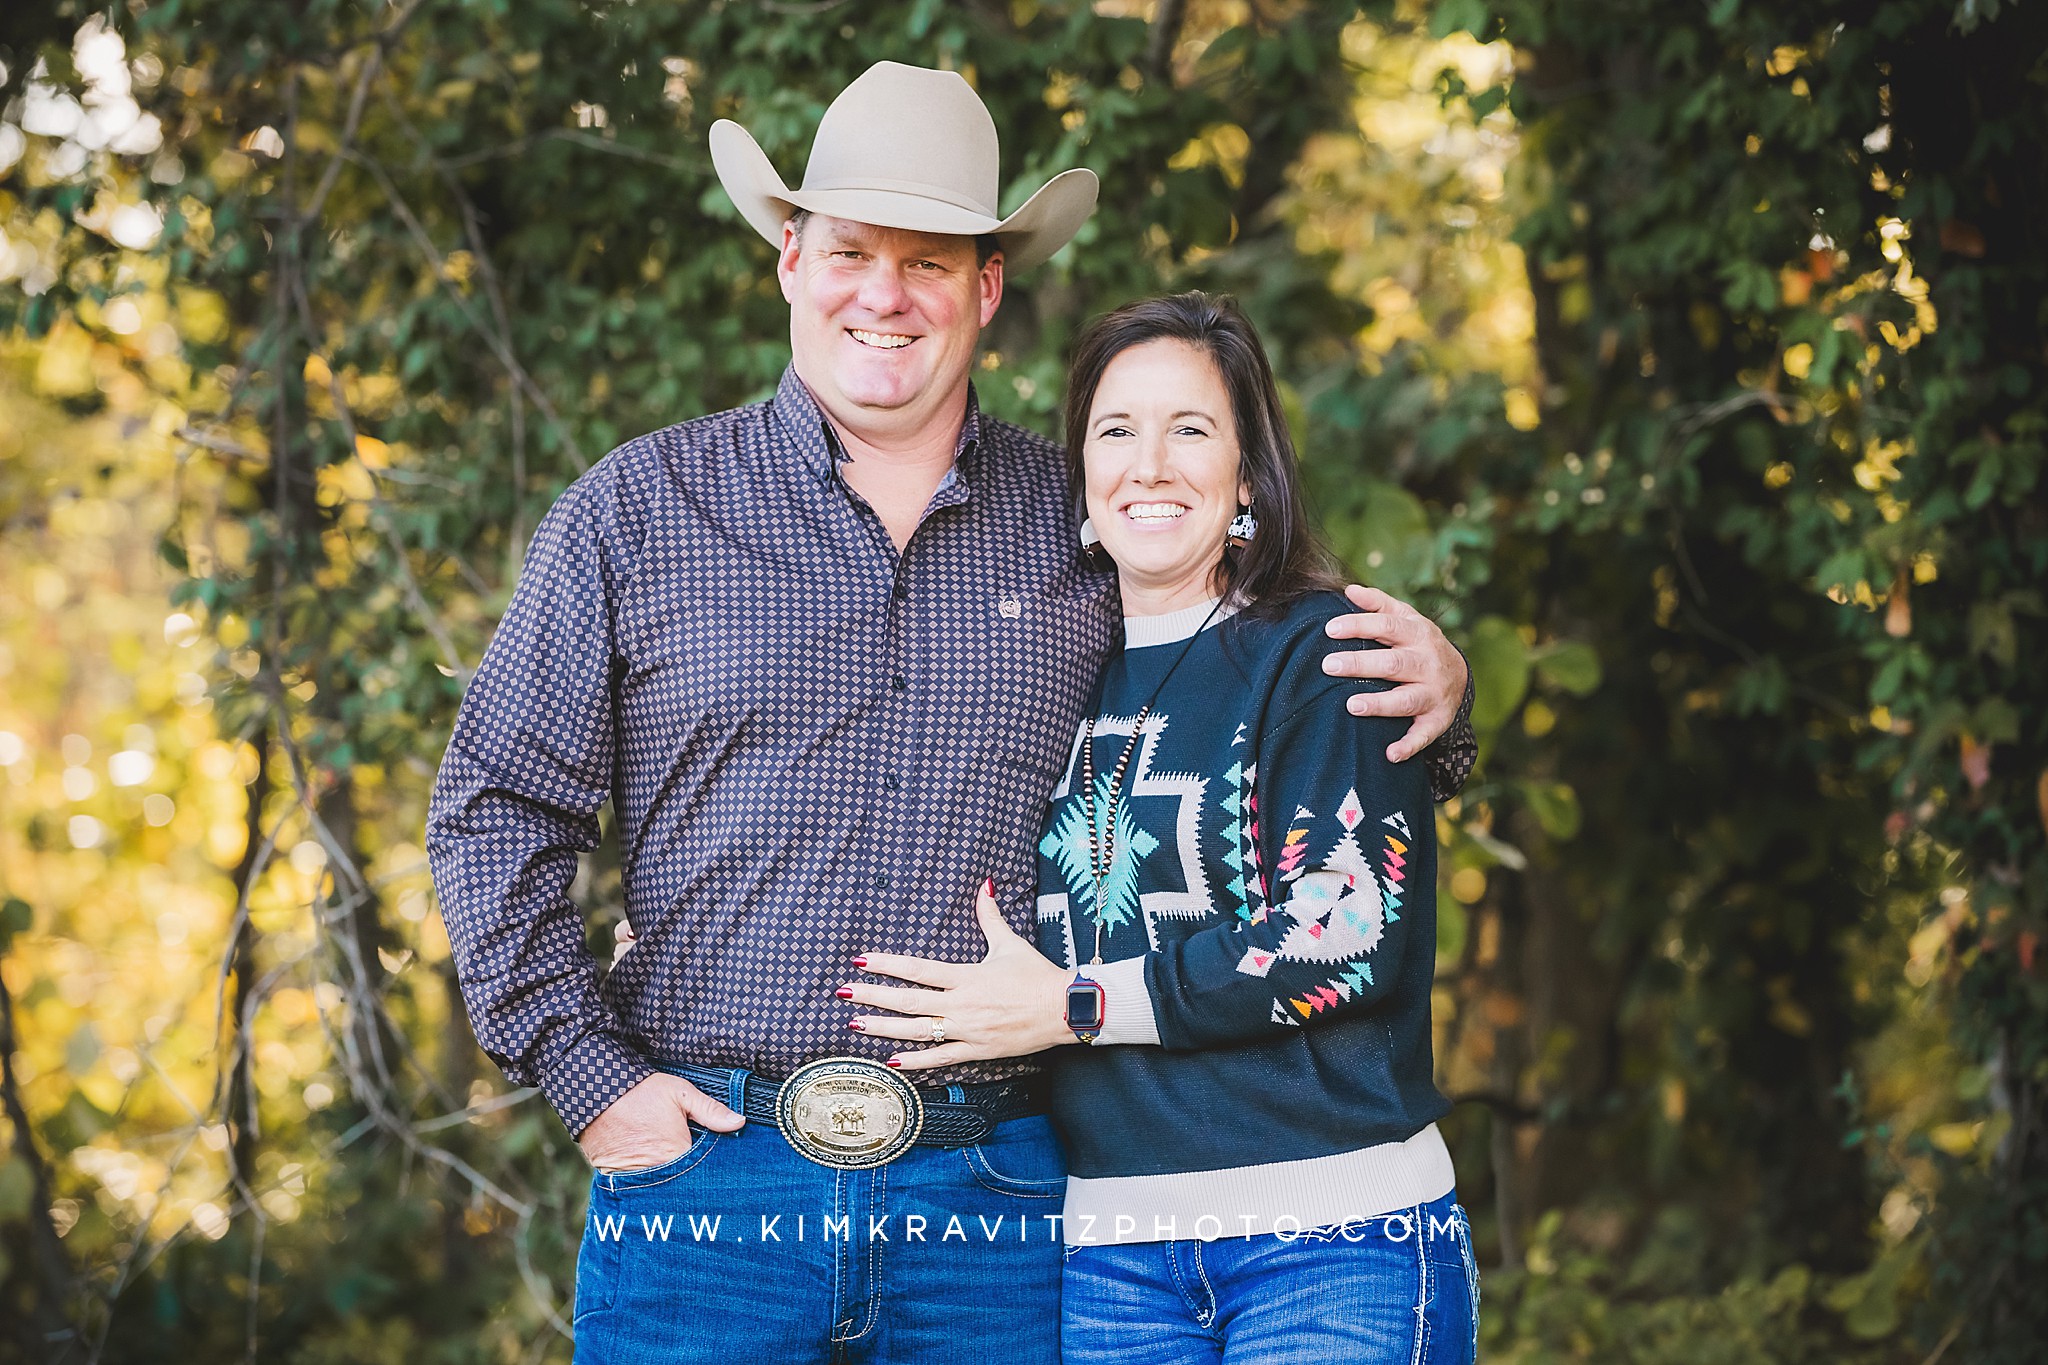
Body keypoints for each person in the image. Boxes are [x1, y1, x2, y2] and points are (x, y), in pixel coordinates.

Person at [426, 62, 1474, 1365]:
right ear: (791, 259)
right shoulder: (638, 514)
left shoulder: (1085, 517)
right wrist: (588, 1080)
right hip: (708, 1185)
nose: (885, 294)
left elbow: (1241, 653)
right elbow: (493, 813)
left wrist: (1428, 674)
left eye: (929, 262)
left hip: (1006, 1202)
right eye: (853, 251)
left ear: (986, 289)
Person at [843, 292, 1477, 1363]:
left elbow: (1339, 928)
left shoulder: (1322, 654)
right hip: (1107, 1257)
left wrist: (1073, 1005)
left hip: (1329, 1238)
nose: (1149, 465)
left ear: (1245, 474)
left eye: (1190, 429)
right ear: (1078, 475)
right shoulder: (1030, 668)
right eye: (1114, 430)